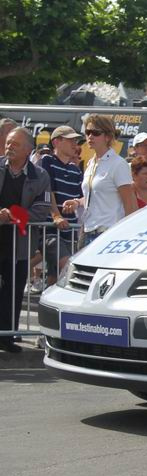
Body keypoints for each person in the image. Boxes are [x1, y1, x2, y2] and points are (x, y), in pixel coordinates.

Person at [0, 128, 51, 352]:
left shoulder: (40, 176)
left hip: (19, 245)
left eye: (15, 144)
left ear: (28, 149)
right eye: (8, 143)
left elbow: (41, 209)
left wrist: (13, 216)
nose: (9, 147)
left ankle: (7, 337)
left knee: (13, 291)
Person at [62, 114, 136, 247]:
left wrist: (128, 235)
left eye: (95, 133)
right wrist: (77, 202)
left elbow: (129, 204)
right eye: (87, 132)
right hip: (87, 230)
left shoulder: (118, 164)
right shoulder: (91, 163)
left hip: (109, 233)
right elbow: (94, 196)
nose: (90, 136)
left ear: (108, 137)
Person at [39, 126, 84, 285]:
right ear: (56, 142)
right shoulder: (47, 161)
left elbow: (84, 196)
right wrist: (56, 215)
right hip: (51, 230)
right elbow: (46, 189)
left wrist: (77, 202)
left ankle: (48, 308)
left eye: (76, 140)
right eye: (71, 140)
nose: (75, 144)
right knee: (67, 268)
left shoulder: (76, 170)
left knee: (55, 276)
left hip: (71, 231)